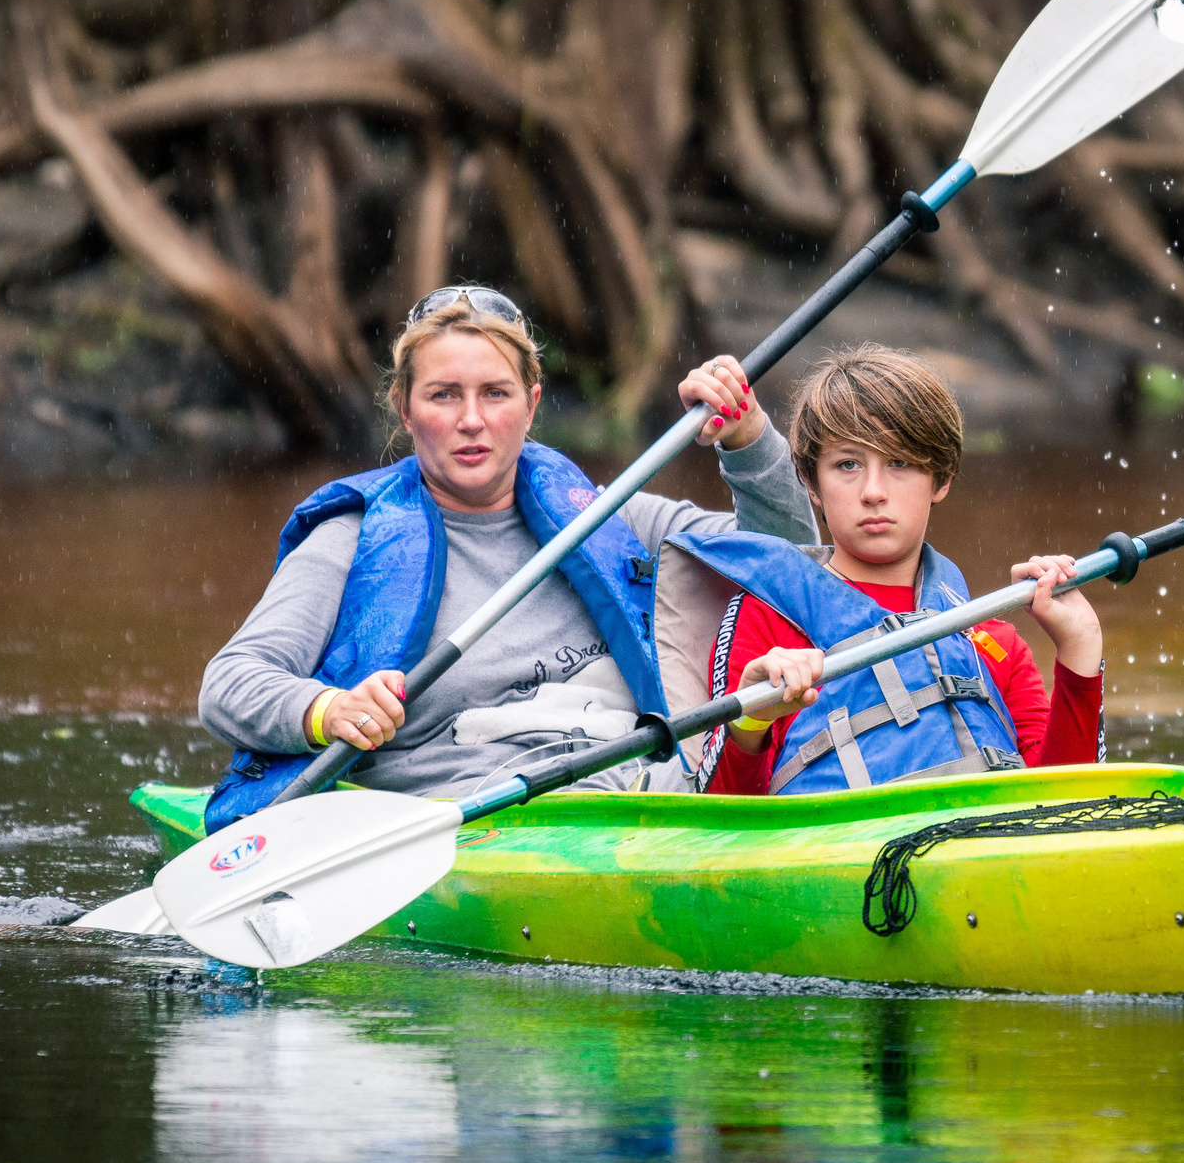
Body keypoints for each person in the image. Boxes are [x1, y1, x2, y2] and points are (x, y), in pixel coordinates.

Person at [197, 286, 818, 830]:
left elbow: (788, 561)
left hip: (647, 804)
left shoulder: (612, 517)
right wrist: (329, 710)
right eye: (444, 395)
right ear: (406, 410)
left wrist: (748, 439)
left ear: (531, 405)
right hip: (469, 822)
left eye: (495, 393)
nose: (472, 420)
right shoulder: (348, 540)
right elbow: (230, 684)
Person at [669, 345, 1102, 795]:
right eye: (848, 464)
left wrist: (1079, 647)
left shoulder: (996, 644)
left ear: (941, 479)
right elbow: (722, 812)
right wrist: (751, 718)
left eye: (899, 463)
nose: (873, 492)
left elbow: (1067, 803)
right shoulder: (765, 619)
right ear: (812, 485)